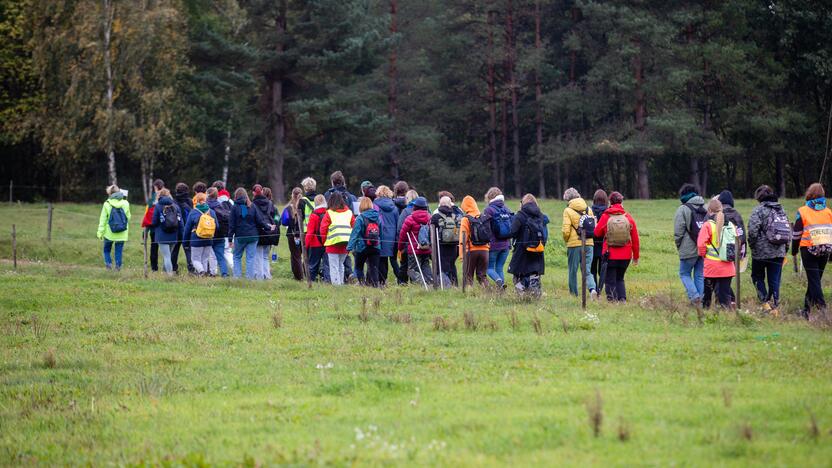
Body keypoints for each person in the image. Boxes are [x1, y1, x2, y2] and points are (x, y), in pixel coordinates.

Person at [792, 183, 832, 319]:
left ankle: (823, 310)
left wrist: (794, 250)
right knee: (814, 280)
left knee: (814, 281)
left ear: (809, 193)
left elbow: (796, 233)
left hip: (808, 249)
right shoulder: (828, 211)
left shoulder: (802, 211)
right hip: (825, 250)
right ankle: (806, 310)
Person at [746, 185, 788, 312]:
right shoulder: (781, 209)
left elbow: (753, 231)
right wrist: (785, 248)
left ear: (758, 197)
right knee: (774, 279)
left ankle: (764, 302)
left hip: (761, 252)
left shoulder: (758, 210)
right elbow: (787, 230)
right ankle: (775, 303)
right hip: (779, 251)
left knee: (757, 276)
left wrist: (752, 245)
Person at [702, 190, 746, 307]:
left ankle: (712, 309)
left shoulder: (708, 222)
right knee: (724, 288)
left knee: (712, 289)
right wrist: (740, 254)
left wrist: (703, 254)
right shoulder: (735, 217)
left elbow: (701, 242)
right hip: (730, 260)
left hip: (711, 263)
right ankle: (728, 306)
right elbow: (741, 236)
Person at [593, 192, 640, 302]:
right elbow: (635, 239)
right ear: (621, 202)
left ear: (610, 202)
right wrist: (636, 256)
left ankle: (612, 301)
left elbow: (596, 232)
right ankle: (622, 299)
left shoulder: (606, 216)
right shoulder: (628, 217)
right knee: (620, 278)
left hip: (610, 254)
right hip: (626, 255)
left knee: (610, 279)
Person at [697, 198, 737, 309]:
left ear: (709, 210)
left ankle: (705, 316)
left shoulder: (707, 225)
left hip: (711, 267)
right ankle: (727, 316)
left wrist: (703, 255)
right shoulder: (731, 225)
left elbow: (701, 245)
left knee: (707, 297)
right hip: (728, 267)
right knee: (724, 297)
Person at [508, 194, 549, 297]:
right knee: (534, 274)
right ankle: (535, 294)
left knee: (517, 275)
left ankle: (522, 295)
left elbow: (512, 232)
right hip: (538, 250)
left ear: (523, 203)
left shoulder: (520, 215)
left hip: (522, 250)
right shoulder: (540, 215)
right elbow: (545, 234)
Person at [229, 187, 275, 279]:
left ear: (236, 196)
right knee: (250, 258)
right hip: (253, 237)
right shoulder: (252, 206)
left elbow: (232, 225)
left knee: (237, 256)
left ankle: (237, 278)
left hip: (240, 237)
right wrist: (269, 227)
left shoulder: (234, 208)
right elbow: (260, 221)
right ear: (246, 196)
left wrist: (230, 239)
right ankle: (249, 279)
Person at [674, 183, 706, 305]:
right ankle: (701, 301)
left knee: (684, 273)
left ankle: (694, 297)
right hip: (703, 247)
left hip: (688, 248)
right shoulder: (705, 207)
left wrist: (679, 245)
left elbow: (678, 231)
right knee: (699, 275)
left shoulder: (683, 209)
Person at [562, 187, 598, 298]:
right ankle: (592, 289)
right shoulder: (588, 209)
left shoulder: (567, 210)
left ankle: (574, 295)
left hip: (574, 244)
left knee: (573, 270)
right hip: (589, 243)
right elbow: (594, 226)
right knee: (587, 270)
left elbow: (566, 230)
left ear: (568, 199)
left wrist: (567, 239)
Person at [323, 171, 357, 280]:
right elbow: (354, 218)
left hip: (332, 237)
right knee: (343, 260)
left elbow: (324, 225)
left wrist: (324, 240)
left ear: (332, 182)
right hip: (347, 235)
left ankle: (335, 281)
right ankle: (348, 275)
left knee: (333, 263)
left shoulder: (328, 195)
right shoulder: (350, 197)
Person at [320, 192, 355, 286]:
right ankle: (341, 283)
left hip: (332, 243)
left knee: (334, 266)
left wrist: (325, 242)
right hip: (345, 243)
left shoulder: (329, 213)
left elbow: (323, 229)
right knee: (341, 264)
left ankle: (336, 285)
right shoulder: (349, 212)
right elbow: (354, 227)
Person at [399, 196, 433, 286]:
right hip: (426, 248)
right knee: (425, 265)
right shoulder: (430, 218)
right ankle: (430, 282)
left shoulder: (410, 218)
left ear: (415, 207)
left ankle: (419, 285)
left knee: (413, 269)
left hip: (413, 249)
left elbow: (402, 235)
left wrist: (400, 247)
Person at [483, 187, 513, 289]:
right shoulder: (507, 209)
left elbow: (485, 228)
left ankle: (498, 281)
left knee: (489, 268)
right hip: (506, 245)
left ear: (489, 196)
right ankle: (501, 289)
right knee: (499, 268)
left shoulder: (488, 210)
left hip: (493, 245)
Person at [183, 192, 219, 276]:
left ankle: (201, 272)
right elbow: (217, 226)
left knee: (195, 259)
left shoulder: (193, 212)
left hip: (196, 239)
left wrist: (185, 243)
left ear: (197, 201)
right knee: (205, 259)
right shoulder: (212, 212)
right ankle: (204, 276)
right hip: (209, 239)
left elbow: (187, 229)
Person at [348, 197, 381, 287]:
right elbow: (381, 232)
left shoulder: (360, 218)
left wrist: (349, 247)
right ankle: (375, 286)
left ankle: (362, 284)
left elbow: (355, 234)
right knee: (374, 267)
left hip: (362, 247)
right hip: (375, 247)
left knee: (359, 267)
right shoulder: (378, 217)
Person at [97, 184, 131, 271]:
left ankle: (108, 264)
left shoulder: (107, 204)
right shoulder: (125, 203)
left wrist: (100, 232)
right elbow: (128, 217)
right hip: (122, 232)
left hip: (109, 233)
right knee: (118, 251)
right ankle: (118, 267)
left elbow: (103, 220)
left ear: (110, 194)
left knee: (106, 250)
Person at [150, 188, 184, 275]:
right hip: (174, 235)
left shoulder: (157, 206)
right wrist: (181, 234)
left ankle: (169, 275)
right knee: (168, 255)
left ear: (159, 196)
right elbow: (180, 222)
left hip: (162, 236)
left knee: (166, 256)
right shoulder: (175, 206)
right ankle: (165, 273)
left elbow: (154, 221)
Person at [458, 195, 490, 288]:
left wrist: (461, 255)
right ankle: (487, 292)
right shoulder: (483, 217)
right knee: (482, 276)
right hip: (485, 250)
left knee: (468, 276)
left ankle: (469, 294)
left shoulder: (465, 219)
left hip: (471, 251)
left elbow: (463, 238)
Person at [431, 196, 462, 286]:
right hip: (453, 246)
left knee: (441, 266)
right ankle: (455, 285)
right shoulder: (454, 216)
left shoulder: (436, 217)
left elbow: (431, 232)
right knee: (451, 265)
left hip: (440, 246)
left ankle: (444, 285)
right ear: (450, 204)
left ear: (440, 204)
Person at [374, 185, 400, 285]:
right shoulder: (394, 207)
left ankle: (382, 281)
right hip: (392, 236)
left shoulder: (375, 205)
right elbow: (398, 223)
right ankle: (401, 279)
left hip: (380, 235)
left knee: (381, 259)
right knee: (393, 259)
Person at [252, 185, 279, 280]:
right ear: (262, 191)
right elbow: (275, 218)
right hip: (269, 232)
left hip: (258, 231)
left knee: (258, 256)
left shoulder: (252, 204)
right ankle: (267, 276)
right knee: (265, 256)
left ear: (253, 193)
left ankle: (259, 277)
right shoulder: (270, 204)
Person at [396, 189, 420, 284]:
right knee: (418, 266)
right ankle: (417, 283)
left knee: (404, 265)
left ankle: (402, 283)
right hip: (422, 244)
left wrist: (401, 246)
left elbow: (400, 229)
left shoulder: (406, 211)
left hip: (407, 245)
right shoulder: (426, 211)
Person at [304, 194, 330, 282]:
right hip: (327, 243)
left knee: (313, 265)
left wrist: (305, 245)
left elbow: (310, 233)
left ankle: (311, 282)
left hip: (315, 244)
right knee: (327, 265)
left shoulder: (314, 215)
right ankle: (328, 281)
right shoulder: (328, 213)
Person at [206, 187, 231, 277]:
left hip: (208, 234)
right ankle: (225, 274)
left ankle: (212, 273)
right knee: (220, 256)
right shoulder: (221, 206)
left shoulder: (205, 206)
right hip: (220, 234)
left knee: (210, 256)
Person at [281, 187, 305, 281]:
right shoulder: (305, 205)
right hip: (304, 233)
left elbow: (284, 222)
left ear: (292, 195)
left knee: (295, 256)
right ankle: (305, 274)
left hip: (292, 233)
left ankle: (299, 277)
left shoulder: (288, 208)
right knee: (303, 255)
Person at [141, 179, 165, 272]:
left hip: (153, 228)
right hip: (166, 228)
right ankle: (166, 268)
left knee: (154, 247)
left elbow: (147, 213)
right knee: (166, 249)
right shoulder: (168, 196)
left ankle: (154, 268)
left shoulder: (153, 198)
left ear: (155, 187)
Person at [590, 189, 610, 293]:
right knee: (602, 270)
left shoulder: (589, 211)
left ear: (594, 199)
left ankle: (593, 289)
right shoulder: (608, 212)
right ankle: (600, 290)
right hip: (604, 245)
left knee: (592, 269)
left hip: (592, 244)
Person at [172, 182, 194, 274]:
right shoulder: (190, 201)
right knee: (188, 250)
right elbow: (192, 214)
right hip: (188, 230)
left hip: (176, 229)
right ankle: (191, 269)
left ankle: (174, 269)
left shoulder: (173, 201)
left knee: (175, 250)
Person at [212, 180, 234, 268]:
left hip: (217, 231)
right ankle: (235, 268)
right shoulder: (231, 201)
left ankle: (215, 271)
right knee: (227, 252)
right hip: (230, 230)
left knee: (215, 252)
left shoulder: (215, 202)